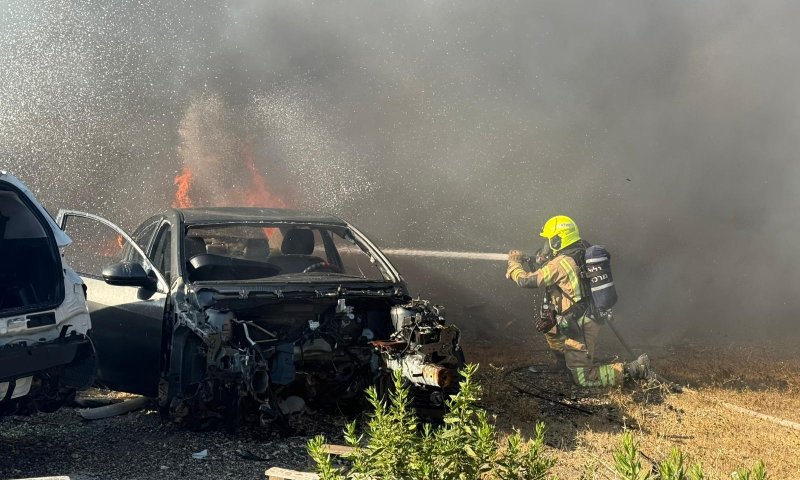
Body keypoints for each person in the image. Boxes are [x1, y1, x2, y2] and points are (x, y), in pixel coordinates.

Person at [506, 215, 650, 387]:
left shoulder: (561, 263)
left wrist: (514, 265)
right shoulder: (581, 249)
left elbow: (526, 281)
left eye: (549, 240)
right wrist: (536, 258)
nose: (547, 245)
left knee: (584, 379)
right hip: (579, 315)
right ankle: (564, 365)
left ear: (558, 239)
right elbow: (558, 270)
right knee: (551, 329)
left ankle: (635, 370)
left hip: (581, 323)